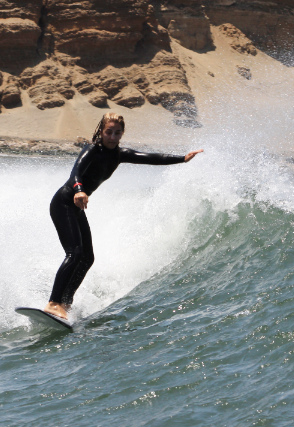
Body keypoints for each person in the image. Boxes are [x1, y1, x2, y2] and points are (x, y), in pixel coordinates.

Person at [43, 112, 204, 319]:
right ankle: (54, 302)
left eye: (117, 133)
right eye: (108, 132)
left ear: (122, 134)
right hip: (64, 202)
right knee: (75, 253)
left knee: (87, 258)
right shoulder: (92, 149)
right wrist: (80, 190)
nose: (112, 137)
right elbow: (75, 172)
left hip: (76, 207)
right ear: (101, 131)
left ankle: (65, 304)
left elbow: (151, 158)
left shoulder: (119, 154)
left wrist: (182, 159)